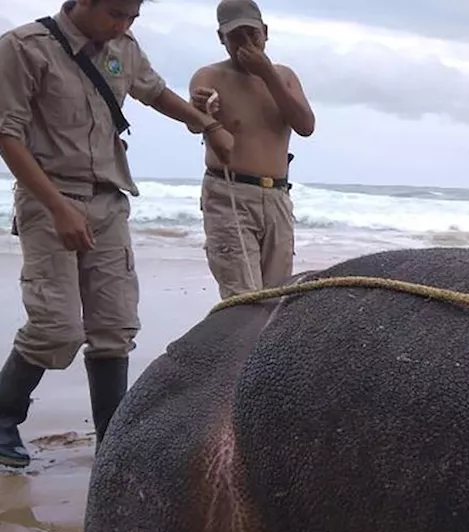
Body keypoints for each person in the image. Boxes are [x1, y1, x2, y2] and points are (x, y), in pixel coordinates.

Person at [0, 0, 234, 468]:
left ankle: (112, 442)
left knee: (115, 327)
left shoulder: (123, 47)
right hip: (50, 198)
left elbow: (155, 92)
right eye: (114, 13)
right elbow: (7, 135)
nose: (123, 25)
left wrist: (205, 124)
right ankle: (3, 418)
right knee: (56, 328)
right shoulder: (24, 47)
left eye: (132, 17)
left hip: (110, 199)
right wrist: (57, 208)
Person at [188, 0, 315, 300]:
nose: (246, 44)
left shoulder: (284, 76)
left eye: (252, 34)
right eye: (236, 37)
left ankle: (263, 348)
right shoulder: (210, 76)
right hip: (230, 193)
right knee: (242, 298)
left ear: (265, 32)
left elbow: (305, 125)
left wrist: (266, 73)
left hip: (277, 197)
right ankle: (233, 346)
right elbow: (194, 123)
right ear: (221, 38)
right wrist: (203, 110)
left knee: (276, 297)